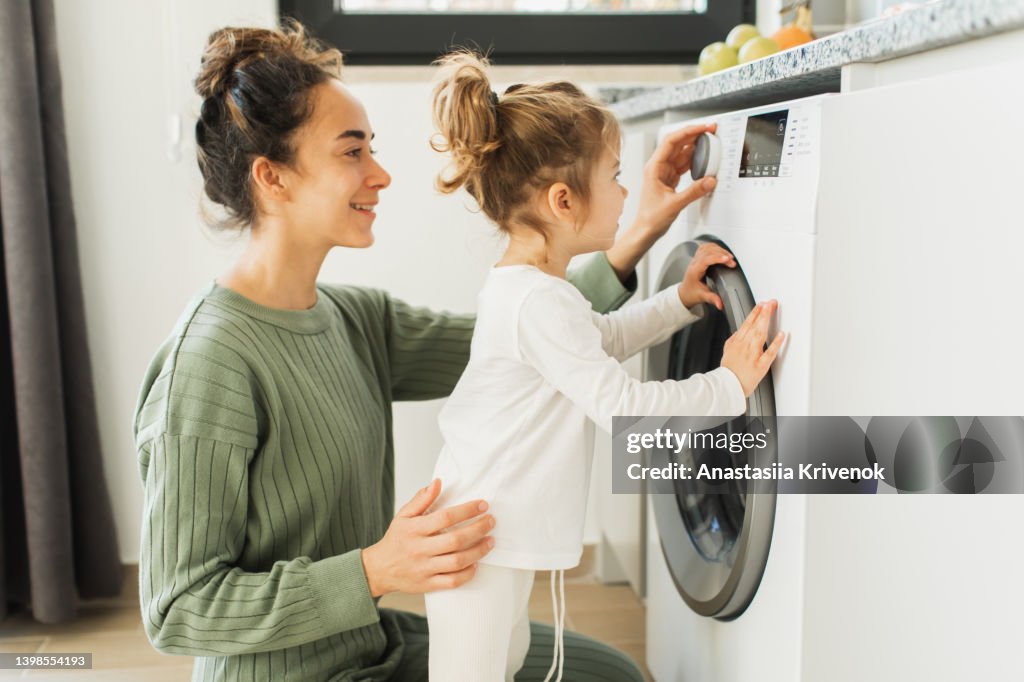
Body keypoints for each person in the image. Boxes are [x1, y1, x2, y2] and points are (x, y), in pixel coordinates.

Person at [134, 21, 736, 682]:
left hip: (370, 642)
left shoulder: (355, 319)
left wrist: (634, 226)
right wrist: (375, 569)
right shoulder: (209, 364)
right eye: (352, 152)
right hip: (291, 673)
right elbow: (177, 610)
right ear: (272, 179)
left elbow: (527, 348)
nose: (382, 173)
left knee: (611, 676)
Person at [421, 52, 784, 682]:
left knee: (495, 667)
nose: (625, 192)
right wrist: (727, 384)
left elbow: (604, 337)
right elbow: (623, 407)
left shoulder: (537, 290)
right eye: (615, 177)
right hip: (470, 544)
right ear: (563, 201)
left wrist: (677, 302)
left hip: (483, 534)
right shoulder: (535, 300)